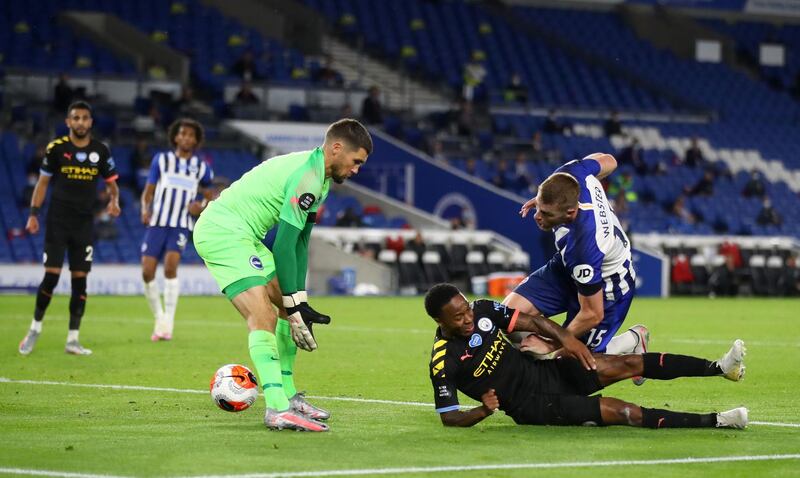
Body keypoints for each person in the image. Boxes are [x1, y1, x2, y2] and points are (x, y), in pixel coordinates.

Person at [192, 119, 372, 432]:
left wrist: (298, 300)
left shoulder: (322, 180)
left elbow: (301, 242)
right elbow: (285, 244)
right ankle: (276, 408)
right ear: (337, 148)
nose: (357, 169)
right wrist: (293, 302)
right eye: (356, 162)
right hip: (222, 232)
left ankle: (288, 396)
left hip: (246, 236)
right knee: (264, 314)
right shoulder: (308, 176)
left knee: (290, 313)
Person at [425, 283, 748, 429]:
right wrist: (482, 411)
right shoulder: (443, 360)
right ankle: (718, 421)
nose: (467, 318)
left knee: (628, 363)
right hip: (533, 405)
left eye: (466, 309)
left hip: (548, 373)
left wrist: (569, 340)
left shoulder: (483, 310)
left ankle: (720, 367)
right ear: (441, 322)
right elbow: (448, 417)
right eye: (458, 317)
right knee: (624, 412)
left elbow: (533, 321)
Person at [505, 154, 646, 378]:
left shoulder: (584, 244)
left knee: (569, 365)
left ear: (571, 213)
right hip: (566, 269)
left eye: (546, 213)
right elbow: (610, 160)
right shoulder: (570, 175)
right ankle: (536, 365)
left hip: (607, 287)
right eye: (539, 207)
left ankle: (632, 340)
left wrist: (552, 343)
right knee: (509, 318)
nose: (537, 216)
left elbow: (592, 313)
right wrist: (541, 200)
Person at [19, 101, 121, 356]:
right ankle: (34, 328)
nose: (80, 122)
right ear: (68, 122)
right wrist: (33, 214)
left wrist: (114, 200)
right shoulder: (56, 149)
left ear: (91, 122)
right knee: (51, 277)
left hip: (84, 224)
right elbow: (42, 184)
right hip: (57, 221)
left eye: (85, 118)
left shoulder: (101, 151)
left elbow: (111, 184)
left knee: (80, 282)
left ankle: (72, 340)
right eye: (76, 118)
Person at [140, 119, 214, 342]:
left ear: (196, 140)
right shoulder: (162, 160)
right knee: (146, 272)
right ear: (175, 137)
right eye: (183, 134)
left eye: (191, 135)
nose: (187, 138)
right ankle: (159, 318)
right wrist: (145, 209)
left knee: (170, 269)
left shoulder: (202, 167)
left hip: (181, 224)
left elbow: (209, 194)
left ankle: (168, 323)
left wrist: (200, 206)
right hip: (158, 223)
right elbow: (149, 190)